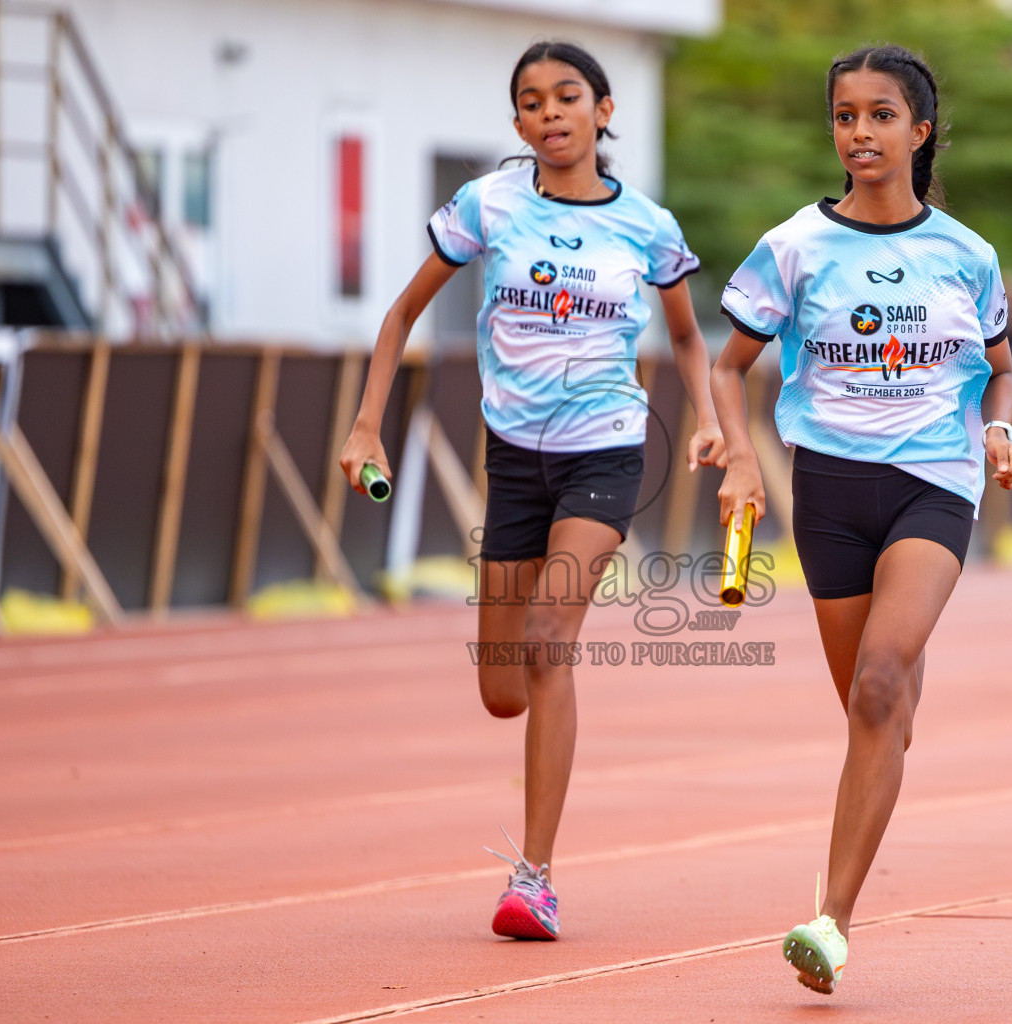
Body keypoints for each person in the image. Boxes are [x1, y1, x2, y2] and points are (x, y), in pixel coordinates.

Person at [339, 40, 724, 942]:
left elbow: (686, 336)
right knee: (503, 690)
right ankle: (533, 742)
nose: (550, 112)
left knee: (552, 640)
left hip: (605, 452)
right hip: (514, 458)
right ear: (517, 122)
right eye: (531, 101)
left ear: (603, 110)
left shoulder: (648, 226)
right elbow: (401, 313)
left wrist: (709, 417)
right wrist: (364, 426)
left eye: (567, 95)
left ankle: (535, 878)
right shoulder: (489, 205)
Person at [709, 44, 1012, 993]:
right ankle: (890, 715)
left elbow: (1002, 369)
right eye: (845, 117)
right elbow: (727, 367)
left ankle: (832, 921)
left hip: (934, 480)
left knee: (881, 685)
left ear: (918, 131)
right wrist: (741, 460)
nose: (861, 133)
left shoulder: (966, 254)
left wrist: (1000, 429)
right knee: (873, 709)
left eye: (881, 116)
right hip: (830, 491)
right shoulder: (794, 246)